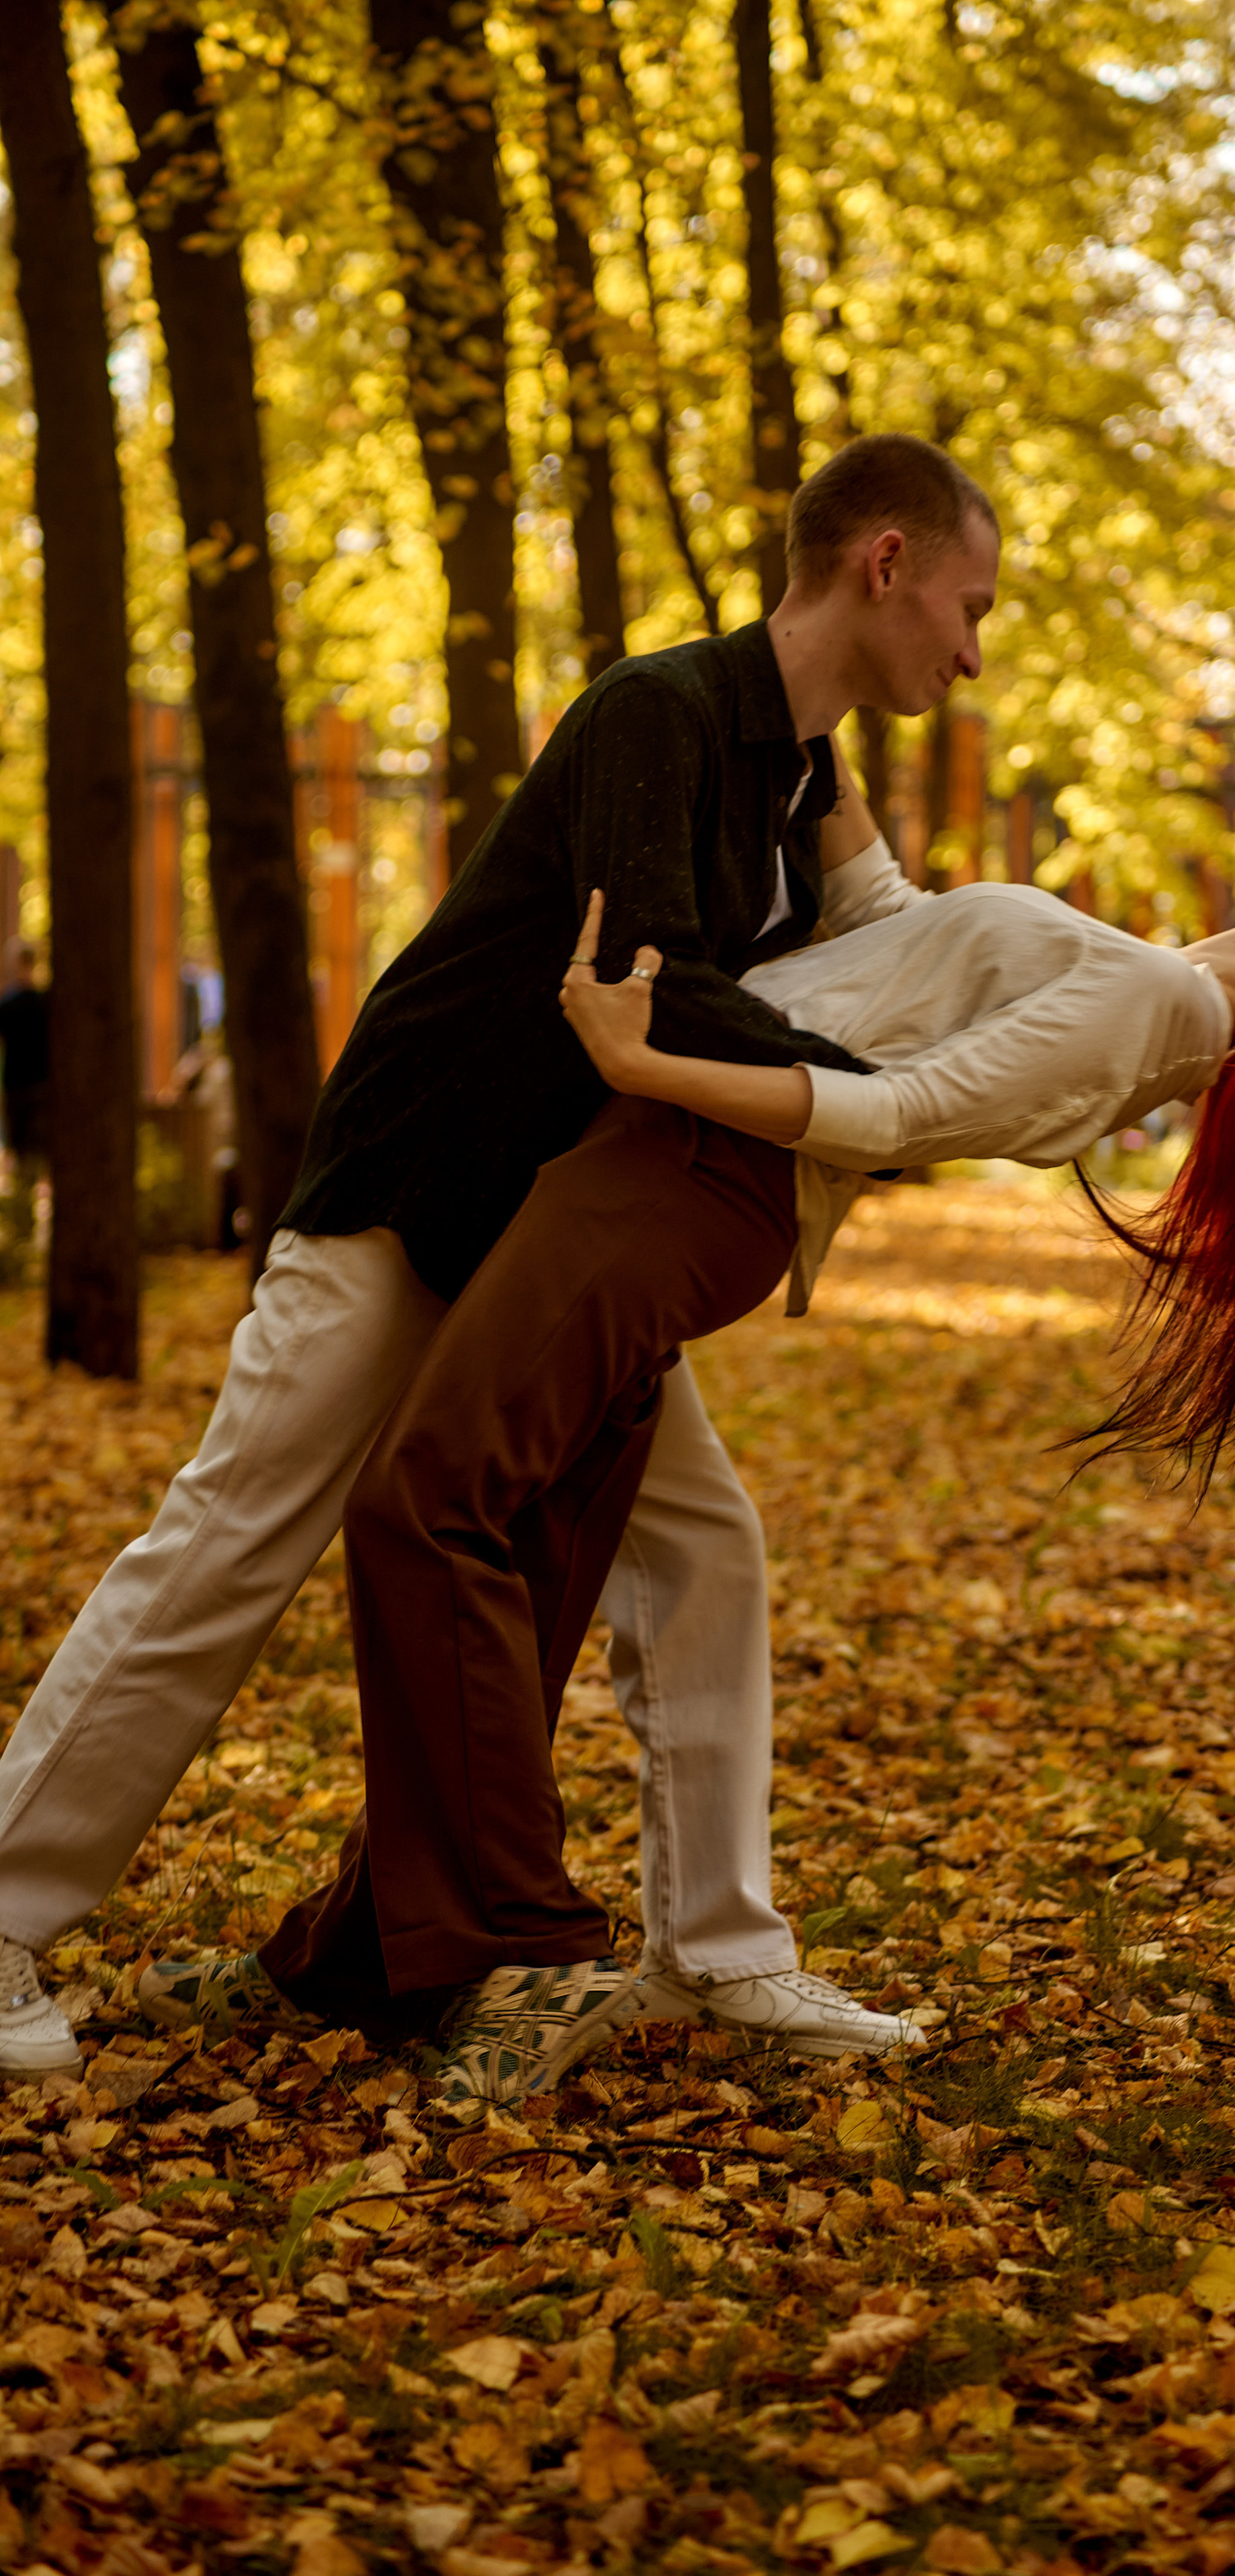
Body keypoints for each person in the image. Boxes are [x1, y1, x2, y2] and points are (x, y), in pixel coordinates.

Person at [137, 850, 1235, 2106]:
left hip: (687, 1169)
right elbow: (884, 928)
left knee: (430, 1505)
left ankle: (528, 1950)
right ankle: (380, 1953)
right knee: (603, 1543)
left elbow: (890, 1109)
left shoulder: (1151, 1002)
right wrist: (825, 722)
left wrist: (642, 1058)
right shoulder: (1150, 980)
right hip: (668, 1169)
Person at [0, 433, 1001, 2078]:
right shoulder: (659, 711)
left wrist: (1191, 994)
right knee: (234, 1538)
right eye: (967, 608)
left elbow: (912, 941)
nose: (968, 655)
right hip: (414, 1183)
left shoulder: (803, 776)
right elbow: (646, 980)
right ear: (881, 564)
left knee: (702, 1546)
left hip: (548, 1239)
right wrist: (876, 1103)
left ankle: (716, 1952)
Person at [0, 939, 49, 1199]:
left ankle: (25, 1203)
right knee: (34, 1151)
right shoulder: (45, 1003)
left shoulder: (11, 1005)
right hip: (36, 1086)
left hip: (23, 1088)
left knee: (26, 1151)